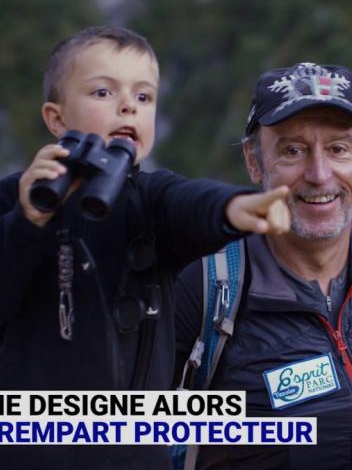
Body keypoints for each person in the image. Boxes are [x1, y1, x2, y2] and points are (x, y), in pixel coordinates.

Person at [0, 26, 290, 470]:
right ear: (56, 119)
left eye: (144, 97)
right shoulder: (12, 200)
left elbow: (191, 202)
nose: (127, 107)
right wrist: (28, 222)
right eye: (102, 91)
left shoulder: (151, 200)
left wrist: (234, 208)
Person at [174, 62, 352, 469]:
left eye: (338, 149)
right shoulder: (206, 284)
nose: (319, 174)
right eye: (293, 151)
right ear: (254, 162)